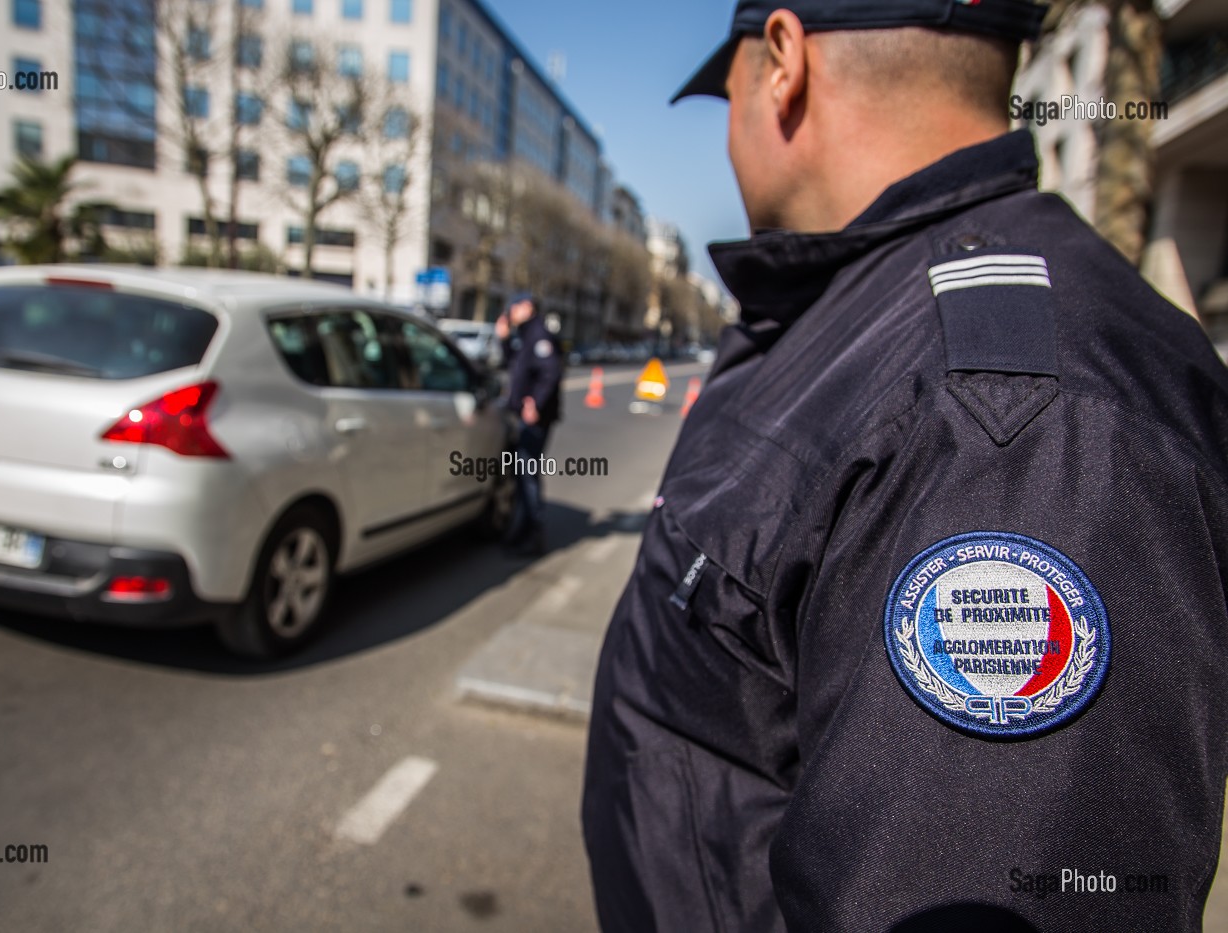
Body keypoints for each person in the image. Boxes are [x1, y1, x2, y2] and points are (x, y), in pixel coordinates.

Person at [581, 2, 1228, 931]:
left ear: (781, 62)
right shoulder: (854, 315)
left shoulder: (1015, 417)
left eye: (722, 97)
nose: (725, 138)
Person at [497, 292, 563, 556]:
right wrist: (503, 339)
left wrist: (534, 403)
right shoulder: (525, 334)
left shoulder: (539, 334)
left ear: (527, 307)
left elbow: (551, 373)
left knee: (528, 476)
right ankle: (520, 531)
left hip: (534, 420)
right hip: (524, 418)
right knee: (522, 476)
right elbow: (511, 363)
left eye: (513, 308)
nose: (510, 313)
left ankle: (533, 535)